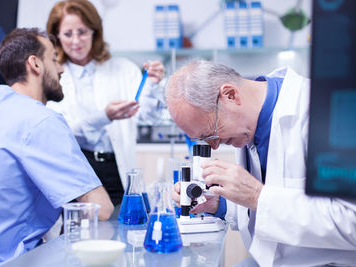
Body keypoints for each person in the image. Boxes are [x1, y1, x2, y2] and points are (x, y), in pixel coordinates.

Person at [166, 60, 356, 267]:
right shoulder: (248, 126)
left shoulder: (326, 111)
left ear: (230, 95)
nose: (215, 146)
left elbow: (351, 222)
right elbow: (269, 208)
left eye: (211, 133)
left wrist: (256, 196)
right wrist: (219, 204)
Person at [0, 28, 114, 266]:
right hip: (12, 261)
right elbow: (101, 209)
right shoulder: (40, 120)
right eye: (53, 59)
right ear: (35, 64)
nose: (61, 69)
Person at [46, 0, 165, 206]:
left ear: (94, 31)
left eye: (82, 31)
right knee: (77, 233)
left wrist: (153, 84)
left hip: (115, 169)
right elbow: (62, 131)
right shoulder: (53, 75)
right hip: (77, 171)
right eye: (68, 34)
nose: (76, 41)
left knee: (124, 229)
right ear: (56, 37)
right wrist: (105, 117)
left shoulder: (123, 69)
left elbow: (147, 115)